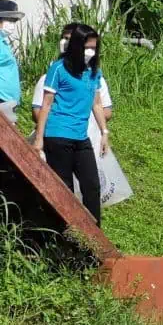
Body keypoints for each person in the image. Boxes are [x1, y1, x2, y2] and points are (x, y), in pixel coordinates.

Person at [32, 23, 109, 225]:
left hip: (81, 137)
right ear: (76, 46)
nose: (90, 52)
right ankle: (64, 234)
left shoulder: (93, 72)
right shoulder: (58, 69)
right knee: (65, 189)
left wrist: (104, 132)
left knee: (92, 185)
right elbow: (46, 105)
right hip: (58, 135)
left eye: (93, 48)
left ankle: (94, 233)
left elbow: (97, 103)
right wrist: (39, 139)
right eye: (86, 48)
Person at [33, 23, 114, 124]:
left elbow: (106, 111)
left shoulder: (95, 77)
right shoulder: (50, 76)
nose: (67, 43)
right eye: (65, 38)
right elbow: (38, 113)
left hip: (88, 136)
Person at [0, 0, 24, 124]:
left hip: (8, 102)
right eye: (9, 20)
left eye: (14, 21)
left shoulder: (3, 42)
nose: (12, 25)